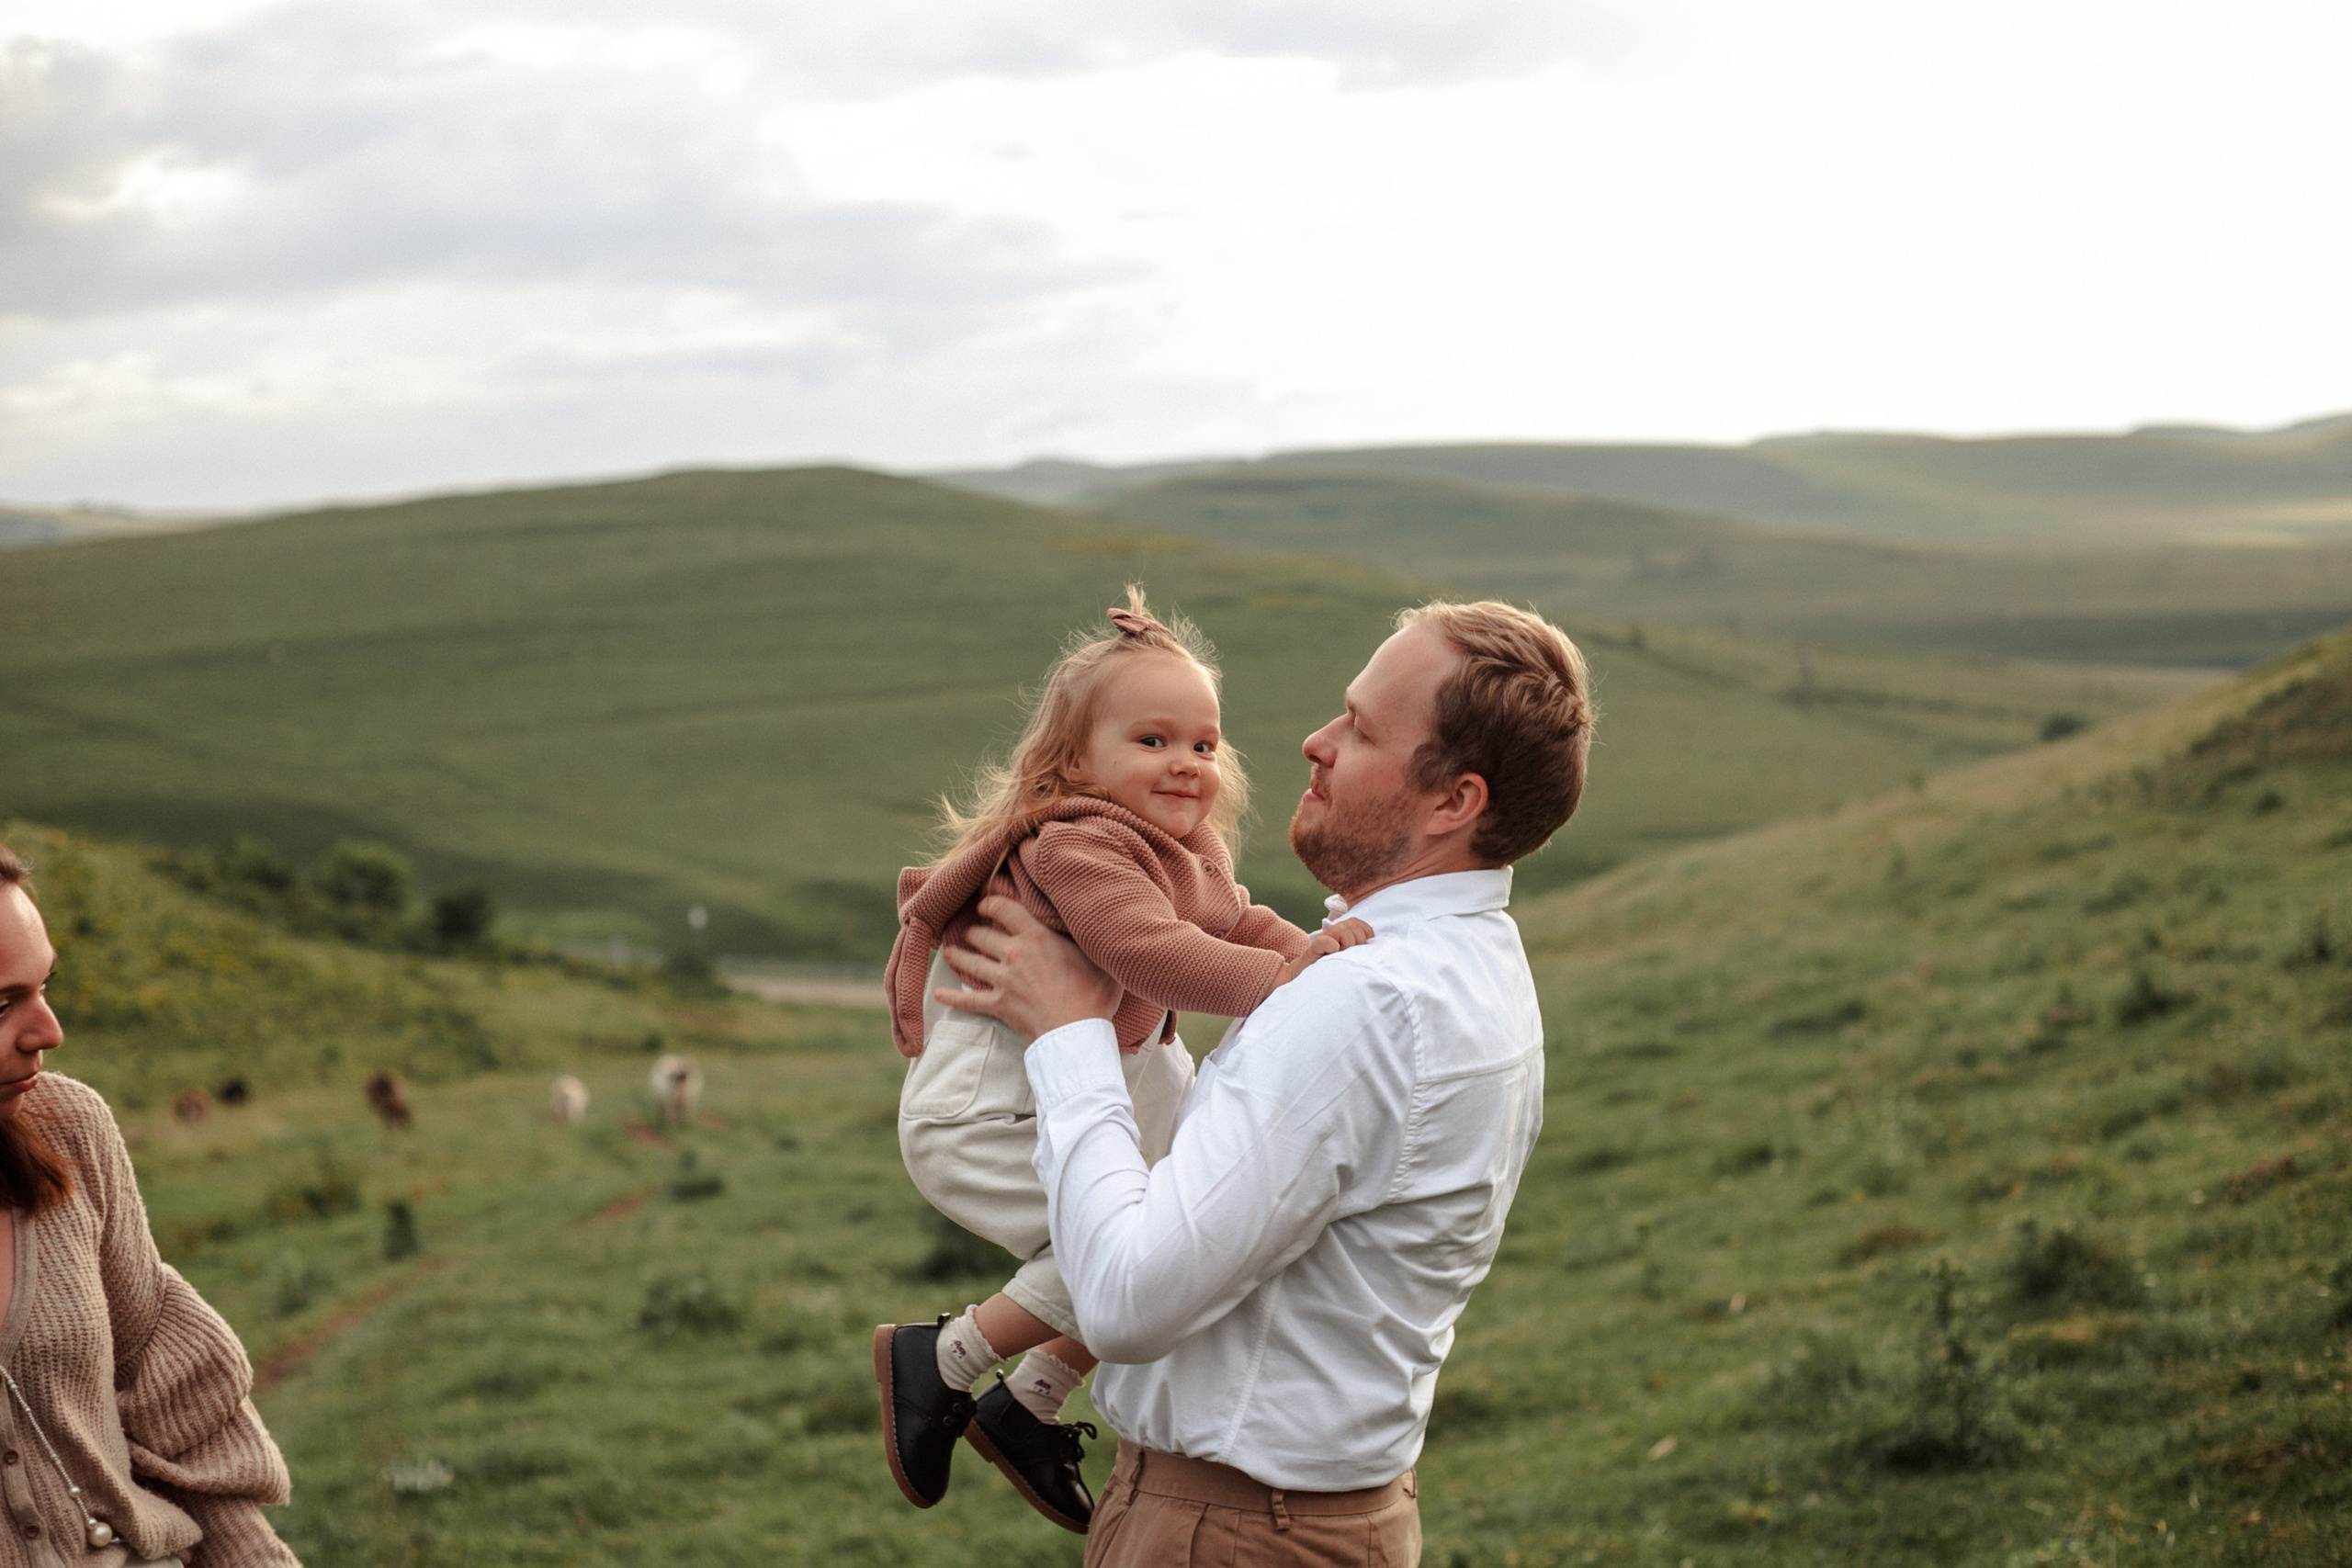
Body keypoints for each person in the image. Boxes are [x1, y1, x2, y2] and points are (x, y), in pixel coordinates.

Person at [936, 600, 1592, 1567]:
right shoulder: (1467, 958)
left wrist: (1068, 1028)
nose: (1314, 743)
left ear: (1453, 802)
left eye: (1363, 730)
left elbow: (1124, 1299)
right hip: (1310, 1518)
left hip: (1231, 1535)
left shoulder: (1359, 1001)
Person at [874, 591, 1371, 1533]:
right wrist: (1290, 980)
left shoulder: (1191, 847)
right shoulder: (1080, 841)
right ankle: (938, 1358)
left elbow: (1233, 923)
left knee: (1195, 1227)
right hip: (989, 1108)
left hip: (1104, 1082)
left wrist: (1323, 951)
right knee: (1134, 1255)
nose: (1185, 763)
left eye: (1202, 742)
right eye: (1151, 741)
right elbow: (1151, 952)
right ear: (1075, 765)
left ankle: (1029, 1403)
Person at [0, 842, 301, 1568]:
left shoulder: (69, 1128)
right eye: (2, 1002)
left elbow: (178, 1407)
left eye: (45, 986)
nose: (48, 1031)